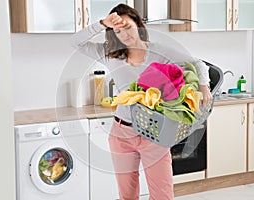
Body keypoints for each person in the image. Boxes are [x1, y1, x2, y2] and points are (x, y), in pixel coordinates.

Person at [71, 4, 212, 200]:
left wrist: (204, 86)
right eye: (118, 31)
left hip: (154, 133)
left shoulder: (159, 51)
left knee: (162, 195)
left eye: (128, 27)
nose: (125, 35)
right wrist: (103, 23)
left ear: (138, 24)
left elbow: (198, 63)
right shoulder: (110, 54)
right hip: (121, 134)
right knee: (127, 195)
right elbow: (75, 42)